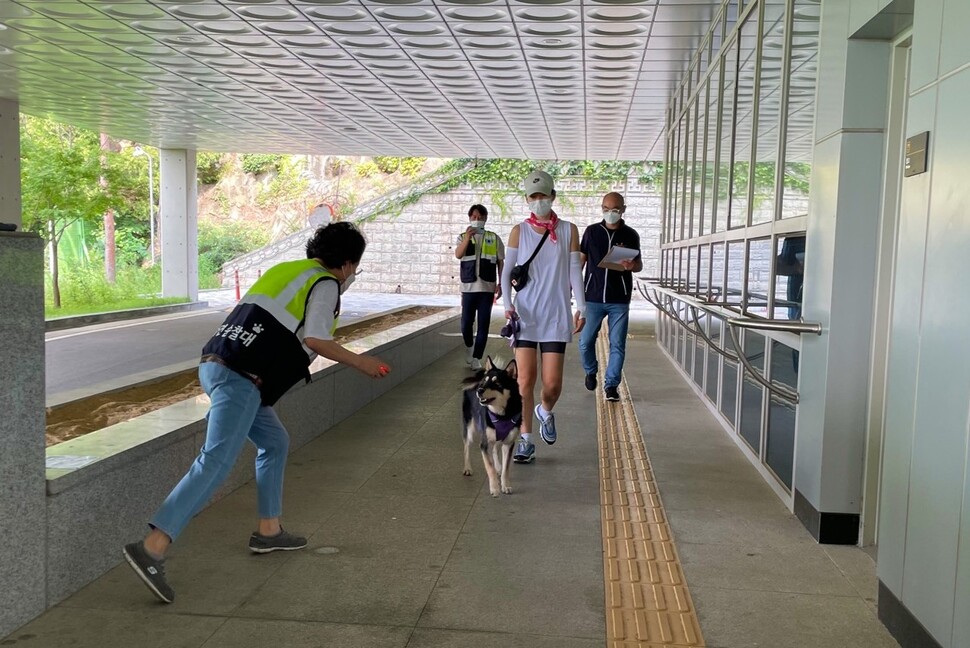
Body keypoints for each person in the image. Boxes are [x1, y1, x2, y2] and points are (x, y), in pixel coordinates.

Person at [122, 222, 390, 604]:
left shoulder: (287, 270)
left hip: (217, 364)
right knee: (214, 460)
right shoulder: (325, 283)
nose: (352, 276)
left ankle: (269, 530)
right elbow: (316, 338)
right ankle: (153, 546)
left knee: (275, 442)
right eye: (354, 268)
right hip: (243, 378)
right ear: (347, 264)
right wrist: (360, 362)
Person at [500, 170, 586, 463]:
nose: (539, 201)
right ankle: (525, 439)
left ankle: (545, 411)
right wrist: (507, 305)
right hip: (526, 314)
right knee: (525, 381)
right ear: (527, 199)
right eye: (533, 197)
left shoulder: (568, 230)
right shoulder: (518, 231)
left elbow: (576, 270)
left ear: (553, 196)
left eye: (543, 196)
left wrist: (582, 307)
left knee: (552, 384)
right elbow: (508, 271)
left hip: (556, 315)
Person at [578, 192, 642, 402]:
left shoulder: (631, 235)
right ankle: (590, 370)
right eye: (606, 209)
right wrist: (575, 291)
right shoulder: (591, 232)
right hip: (593, 297)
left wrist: (632, 266)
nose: (610, 213)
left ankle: (611, 386)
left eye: (614, 209)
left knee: (617, 344)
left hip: (619, 299)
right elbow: (581, 261)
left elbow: (638, 265)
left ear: (623, 209)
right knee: (585, 342)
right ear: (602, 208)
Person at [455, 204, 505, 371]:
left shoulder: (493, 238)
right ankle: (469, 346)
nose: (477, 220)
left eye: (480, 217)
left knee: (483, 325)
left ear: (485, 219)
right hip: (468, 287)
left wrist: (501, 284)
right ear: (469, 218)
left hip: (487, 288)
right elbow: (458, 254)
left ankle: (477, 357)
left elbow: (500, 262)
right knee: (465, 324)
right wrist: (468, 237)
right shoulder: (463, 237)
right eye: (474, 217)